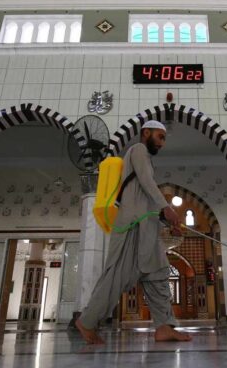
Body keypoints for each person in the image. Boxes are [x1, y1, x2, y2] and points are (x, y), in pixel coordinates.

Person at [75, 120, 192, 344]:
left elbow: (145, 199)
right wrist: (166, 208)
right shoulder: (138, 150)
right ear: (146, 133)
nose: (162, 143)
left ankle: (164, 327)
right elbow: (147, 183)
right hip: (131, 227)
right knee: (117, 276)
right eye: (160, 137)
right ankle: (87, 321)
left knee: (158, 274)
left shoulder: (145, 160)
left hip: (146, 228)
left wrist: (166, 220)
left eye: (164, 138)